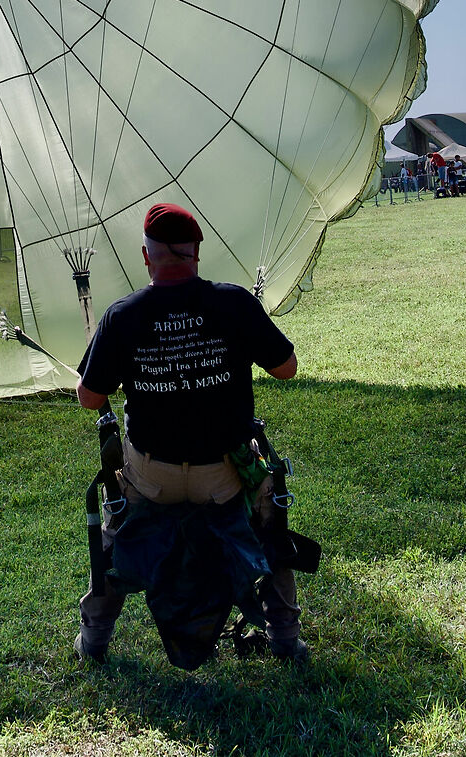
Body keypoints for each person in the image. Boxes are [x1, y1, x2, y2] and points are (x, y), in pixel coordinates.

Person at [73, 203, 306, 666]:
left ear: (147, 258)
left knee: (117, 527)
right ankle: (286, 640)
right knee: (270, 518)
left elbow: (89, 397)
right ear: (197, 252)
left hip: (153, 479)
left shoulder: (123, 316)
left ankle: (93, 641)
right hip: (222, 480)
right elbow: (287, 368)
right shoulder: (234, 302)